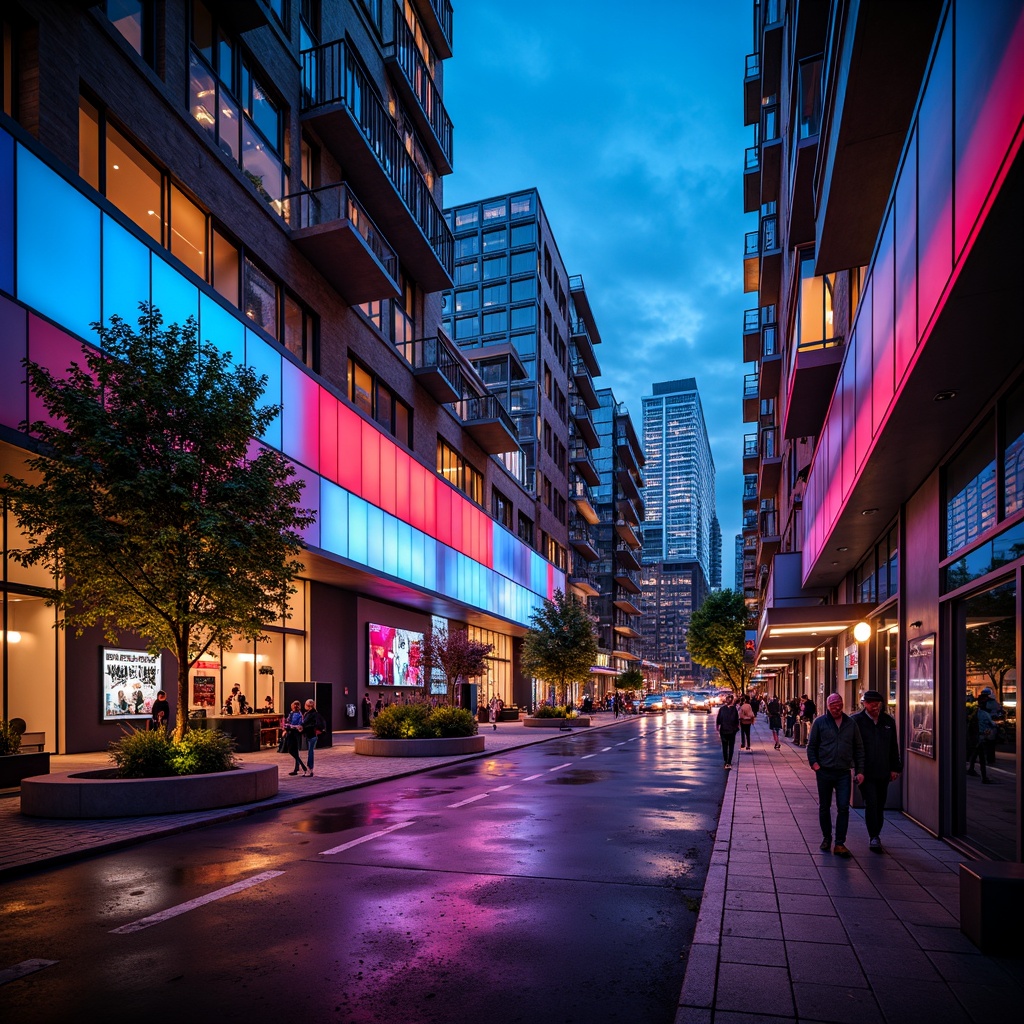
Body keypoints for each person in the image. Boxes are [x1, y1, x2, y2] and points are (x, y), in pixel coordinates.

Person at [807, 693, 865, 857]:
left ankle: (840, 843)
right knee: (824, 807)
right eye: (833, 704)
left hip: (843, 773)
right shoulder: (820, 722)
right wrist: (815, 764)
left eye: (839, 703)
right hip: (824, 771)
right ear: (827, 706)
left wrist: (860, 771)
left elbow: (859, 748)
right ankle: (827, 838)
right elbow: (812, 746)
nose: (837, 707)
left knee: (843, 807)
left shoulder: (850, 723)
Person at [852, 690, 902, 852]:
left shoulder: (887, 721)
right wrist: (856, 769)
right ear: (864, 704)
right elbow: (852, 747)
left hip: (883, 770)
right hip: (865, 772)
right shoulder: (857, 721)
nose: (874, 706)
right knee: (871, 803)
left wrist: (895, 767)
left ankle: (876, 832)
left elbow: (893, 746)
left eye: (877, 703)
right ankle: (874, 835)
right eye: (871, 703)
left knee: (880, 804)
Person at [281, 700, 307, 776]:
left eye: (297, 705)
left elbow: (298, 725)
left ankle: (302, 766)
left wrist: (289, 726)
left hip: (294, 734)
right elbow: (288, 722)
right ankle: (297, 768)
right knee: (294, 751)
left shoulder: (299, 714)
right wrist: (286, 726)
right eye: (294, 705)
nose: (295, 706)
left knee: (292, 751)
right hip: (291, 733)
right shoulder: (292, 713)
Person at [301, 698, 324, 777]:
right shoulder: (311, 713)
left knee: (310, 752)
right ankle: (309, 769)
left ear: (308, 706)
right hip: (311, 734)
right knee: (310, 752)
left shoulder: (311, 714)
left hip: (311, 734)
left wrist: (304, 727)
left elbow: (307, 724)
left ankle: (310, 769)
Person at [716, 694, 740, 769]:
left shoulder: (722, 709)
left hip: (723, 730)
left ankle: (726, 760)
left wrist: (718, 726)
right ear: (732, 701)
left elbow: (719, 719)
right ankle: (729, 761)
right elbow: (736, 721)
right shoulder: (734, 710)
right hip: (732, 730)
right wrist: (736, 728)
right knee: (731, 746)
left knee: (724, 745)